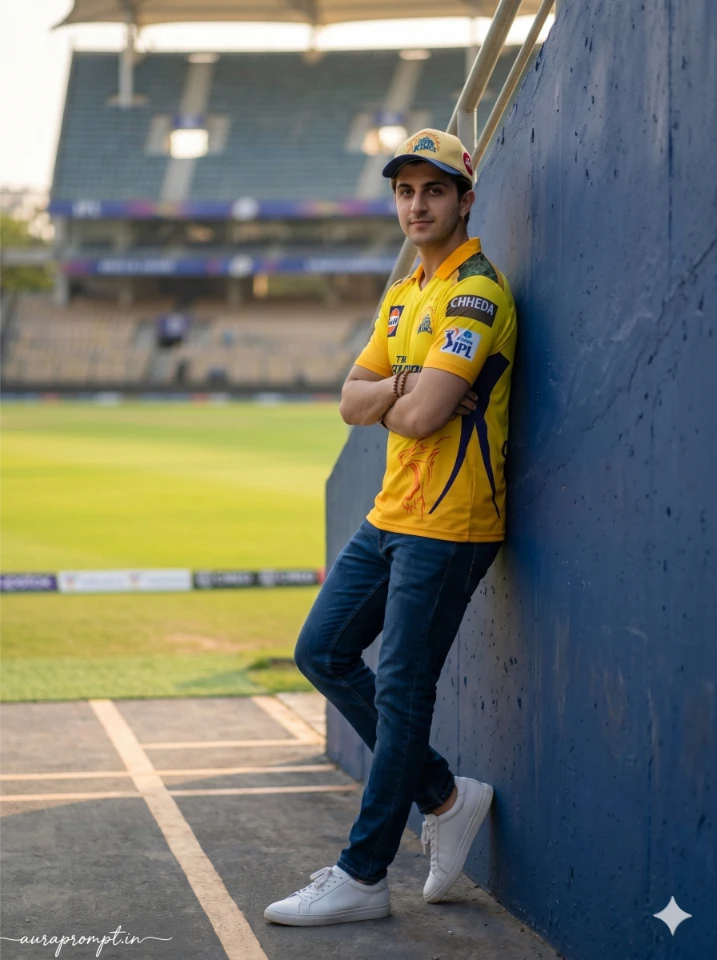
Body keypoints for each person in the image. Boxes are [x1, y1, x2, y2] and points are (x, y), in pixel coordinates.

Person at [264, 128, 517, 926]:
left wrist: (397, 394)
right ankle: (443, 795)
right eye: (405, 191)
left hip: (450, 521)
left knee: (403, 691)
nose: (417, 204)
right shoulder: (405, 293)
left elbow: (422, 416)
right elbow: (354, 400)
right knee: (322, 651)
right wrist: (402, 382)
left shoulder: (476, 294)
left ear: (464, 200)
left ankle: (363, 875)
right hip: (391, 515)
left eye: (433, 190)